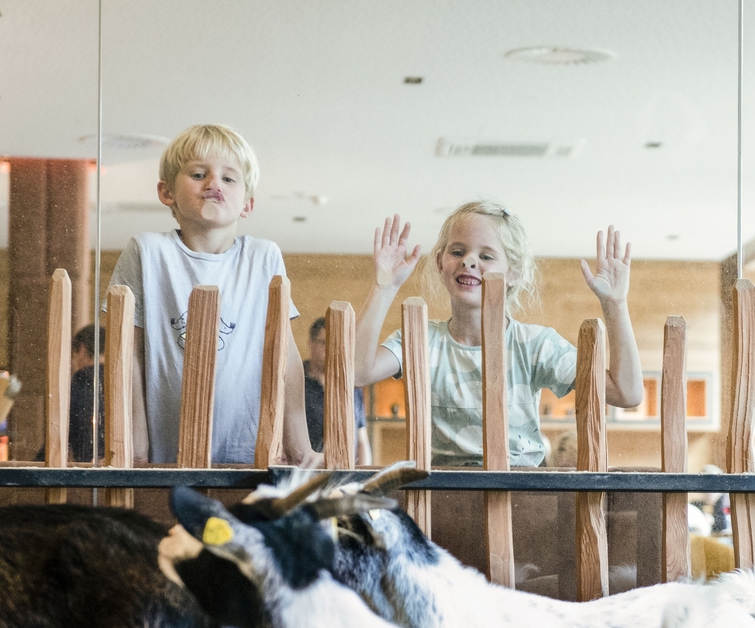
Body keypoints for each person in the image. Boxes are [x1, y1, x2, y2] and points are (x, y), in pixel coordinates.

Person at [350, 202, 644, 467]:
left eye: (486, 255)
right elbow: (357, 372)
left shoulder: (534, 344)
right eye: (457, 252)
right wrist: (384, 287)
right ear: (440, 262)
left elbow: (626, 393)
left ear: (513, 272)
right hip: (442, 494)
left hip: (520, 494)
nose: (468, 261)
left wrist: (615, 304)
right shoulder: (421, 339)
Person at [107, 124, 311, 464]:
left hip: (249, 453)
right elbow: (129, 356)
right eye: (199, 174)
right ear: (166, 192)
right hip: (165, 455)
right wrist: (135, 448)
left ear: (247, 204)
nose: (214, 183)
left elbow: (285, 357)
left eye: (229, 178)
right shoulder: (147, 252)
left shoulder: (263, 257)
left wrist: (299, 446)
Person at [302, 316, 372, 463]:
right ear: (311, 343)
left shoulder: (351, 382)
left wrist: (364, 474)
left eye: (335, 344)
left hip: (345, 472)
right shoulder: (296, 378)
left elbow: (362, 439)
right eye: (324, 343)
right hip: (306, 471)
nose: (330, 350)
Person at [69, 323, 105, 463]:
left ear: (83, 349)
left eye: (75, 354)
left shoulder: (81, 380)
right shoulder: (122, 380)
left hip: (88, 466)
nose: (75, 360)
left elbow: (66, 427)